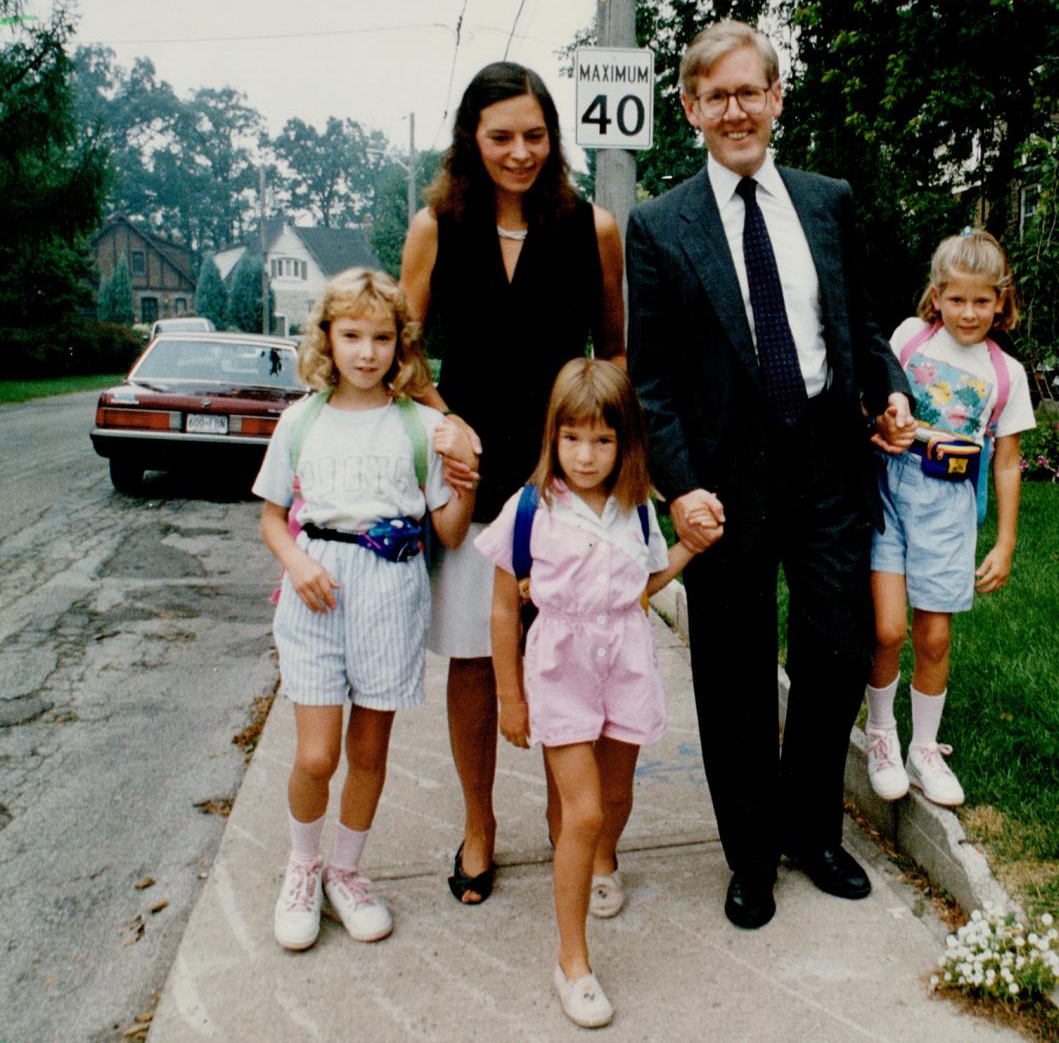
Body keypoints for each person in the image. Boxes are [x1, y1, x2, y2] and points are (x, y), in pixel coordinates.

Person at [625, 19, 916, 930]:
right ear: (691, 109)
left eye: (751, 90)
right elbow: (653, 378)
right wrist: (679, 487)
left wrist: (891, 392)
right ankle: (750, 855)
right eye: (716, 96)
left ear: (777, 97)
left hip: (829, 464)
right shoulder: (659, 225)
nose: (736, 109)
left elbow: (860, 325)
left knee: (837, 650)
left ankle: (812, 831)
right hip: (724, 484)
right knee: (735, 672)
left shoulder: (826, 201)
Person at [399, 61, 626, 905]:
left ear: (553, 137)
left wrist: (603, 455)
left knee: (574, 655)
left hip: (571, 480)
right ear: (471, 139)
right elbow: (403, 349)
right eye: (501, 137)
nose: (520, 152)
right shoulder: (435, 227)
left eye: (535, 135)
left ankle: (578, 829)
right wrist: (444, 420)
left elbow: (615, 349)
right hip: (474, 473)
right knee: (473, 660)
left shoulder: (591, 227)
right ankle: (478, 823)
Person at [476, 358, 717, 1027]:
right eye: (573, 439)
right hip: (559, 670)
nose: (585, 456)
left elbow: (642, 586)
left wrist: (688, 549)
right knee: (580, 812)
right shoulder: (530, 510)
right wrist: (509, 696)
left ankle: (602, 858)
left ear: (627, 443)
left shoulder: (636, 510)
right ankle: (572, 960)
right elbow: (502, 610)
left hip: (627, 663)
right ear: (552, 436)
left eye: (603, 440)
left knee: (614, 798)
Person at [254, 268, 477, 951]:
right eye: (351, 335)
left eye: (382, 337)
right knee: (318, 754)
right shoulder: (303, 418)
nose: (366, 352)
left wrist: (466, 475)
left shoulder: (425, 426)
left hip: (390, 590)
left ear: (402, 345)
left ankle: (346, 873)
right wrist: (297, 562)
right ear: (328, 337)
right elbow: (271, 518)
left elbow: (448, 531)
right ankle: (303, 866)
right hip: (316, 590)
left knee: (369, 749)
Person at [863, 230, 1036, 807]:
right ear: (935, 296)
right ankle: (882, 735)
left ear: (1000, 302)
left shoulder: (1005, 374)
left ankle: (924, 749)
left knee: (933, 636)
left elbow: (1007, 463)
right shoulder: (911, 339)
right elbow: (877, 398)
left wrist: (1005, 542)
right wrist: (881, 427)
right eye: (956, 299)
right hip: (891, 490)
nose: (968, 312)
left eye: (982, 300)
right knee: (887, 628)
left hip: (949, 506)